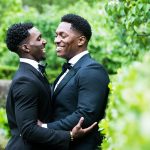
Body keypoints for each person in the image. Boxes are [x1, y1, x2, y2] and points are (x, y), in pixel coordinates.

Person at [5, 22, 97, 150]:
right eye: (38, 38)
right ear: (26, 48)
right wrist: (69, 136)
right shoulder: (25, 80)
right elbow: (28, 130)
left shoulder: (33, 74)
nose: (44, 42)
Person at [42, 14, 110, 150]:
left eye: (63, 35)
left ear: (81, 41)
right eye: (56, 35)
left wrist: (45, 127)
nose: (56, 40)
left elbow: (85, 115)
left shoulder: (92, 70)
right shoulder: (70, 68)